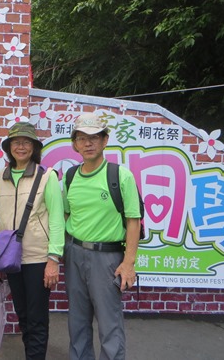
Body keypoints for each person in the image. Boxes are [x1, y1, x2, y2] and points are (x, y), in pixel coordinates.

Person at [63, 113, 141, 360]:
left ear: (105, 140)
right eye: (82, 138)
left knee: (110, 324)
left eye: (94, 137)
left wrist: (128, 263)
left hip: (107, 258)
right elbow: (67, 215)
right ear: (75, 144)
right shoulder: (71, 176)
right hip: (74, 254)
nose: (88, 143)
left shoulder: (120, 176)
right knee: (77, 321)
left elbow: (133, 221)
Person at [0, 122, 65, 360]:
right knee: (23, 315)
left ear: (34, 147)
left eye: (26, 142)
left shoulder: (47, 177)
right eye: (16, 142)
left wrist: (53, 259)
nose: (21, 147)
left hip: (38, 259)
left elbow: (57, 219)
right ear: (9, 147)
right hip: (11, 260)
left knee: (37, 318)